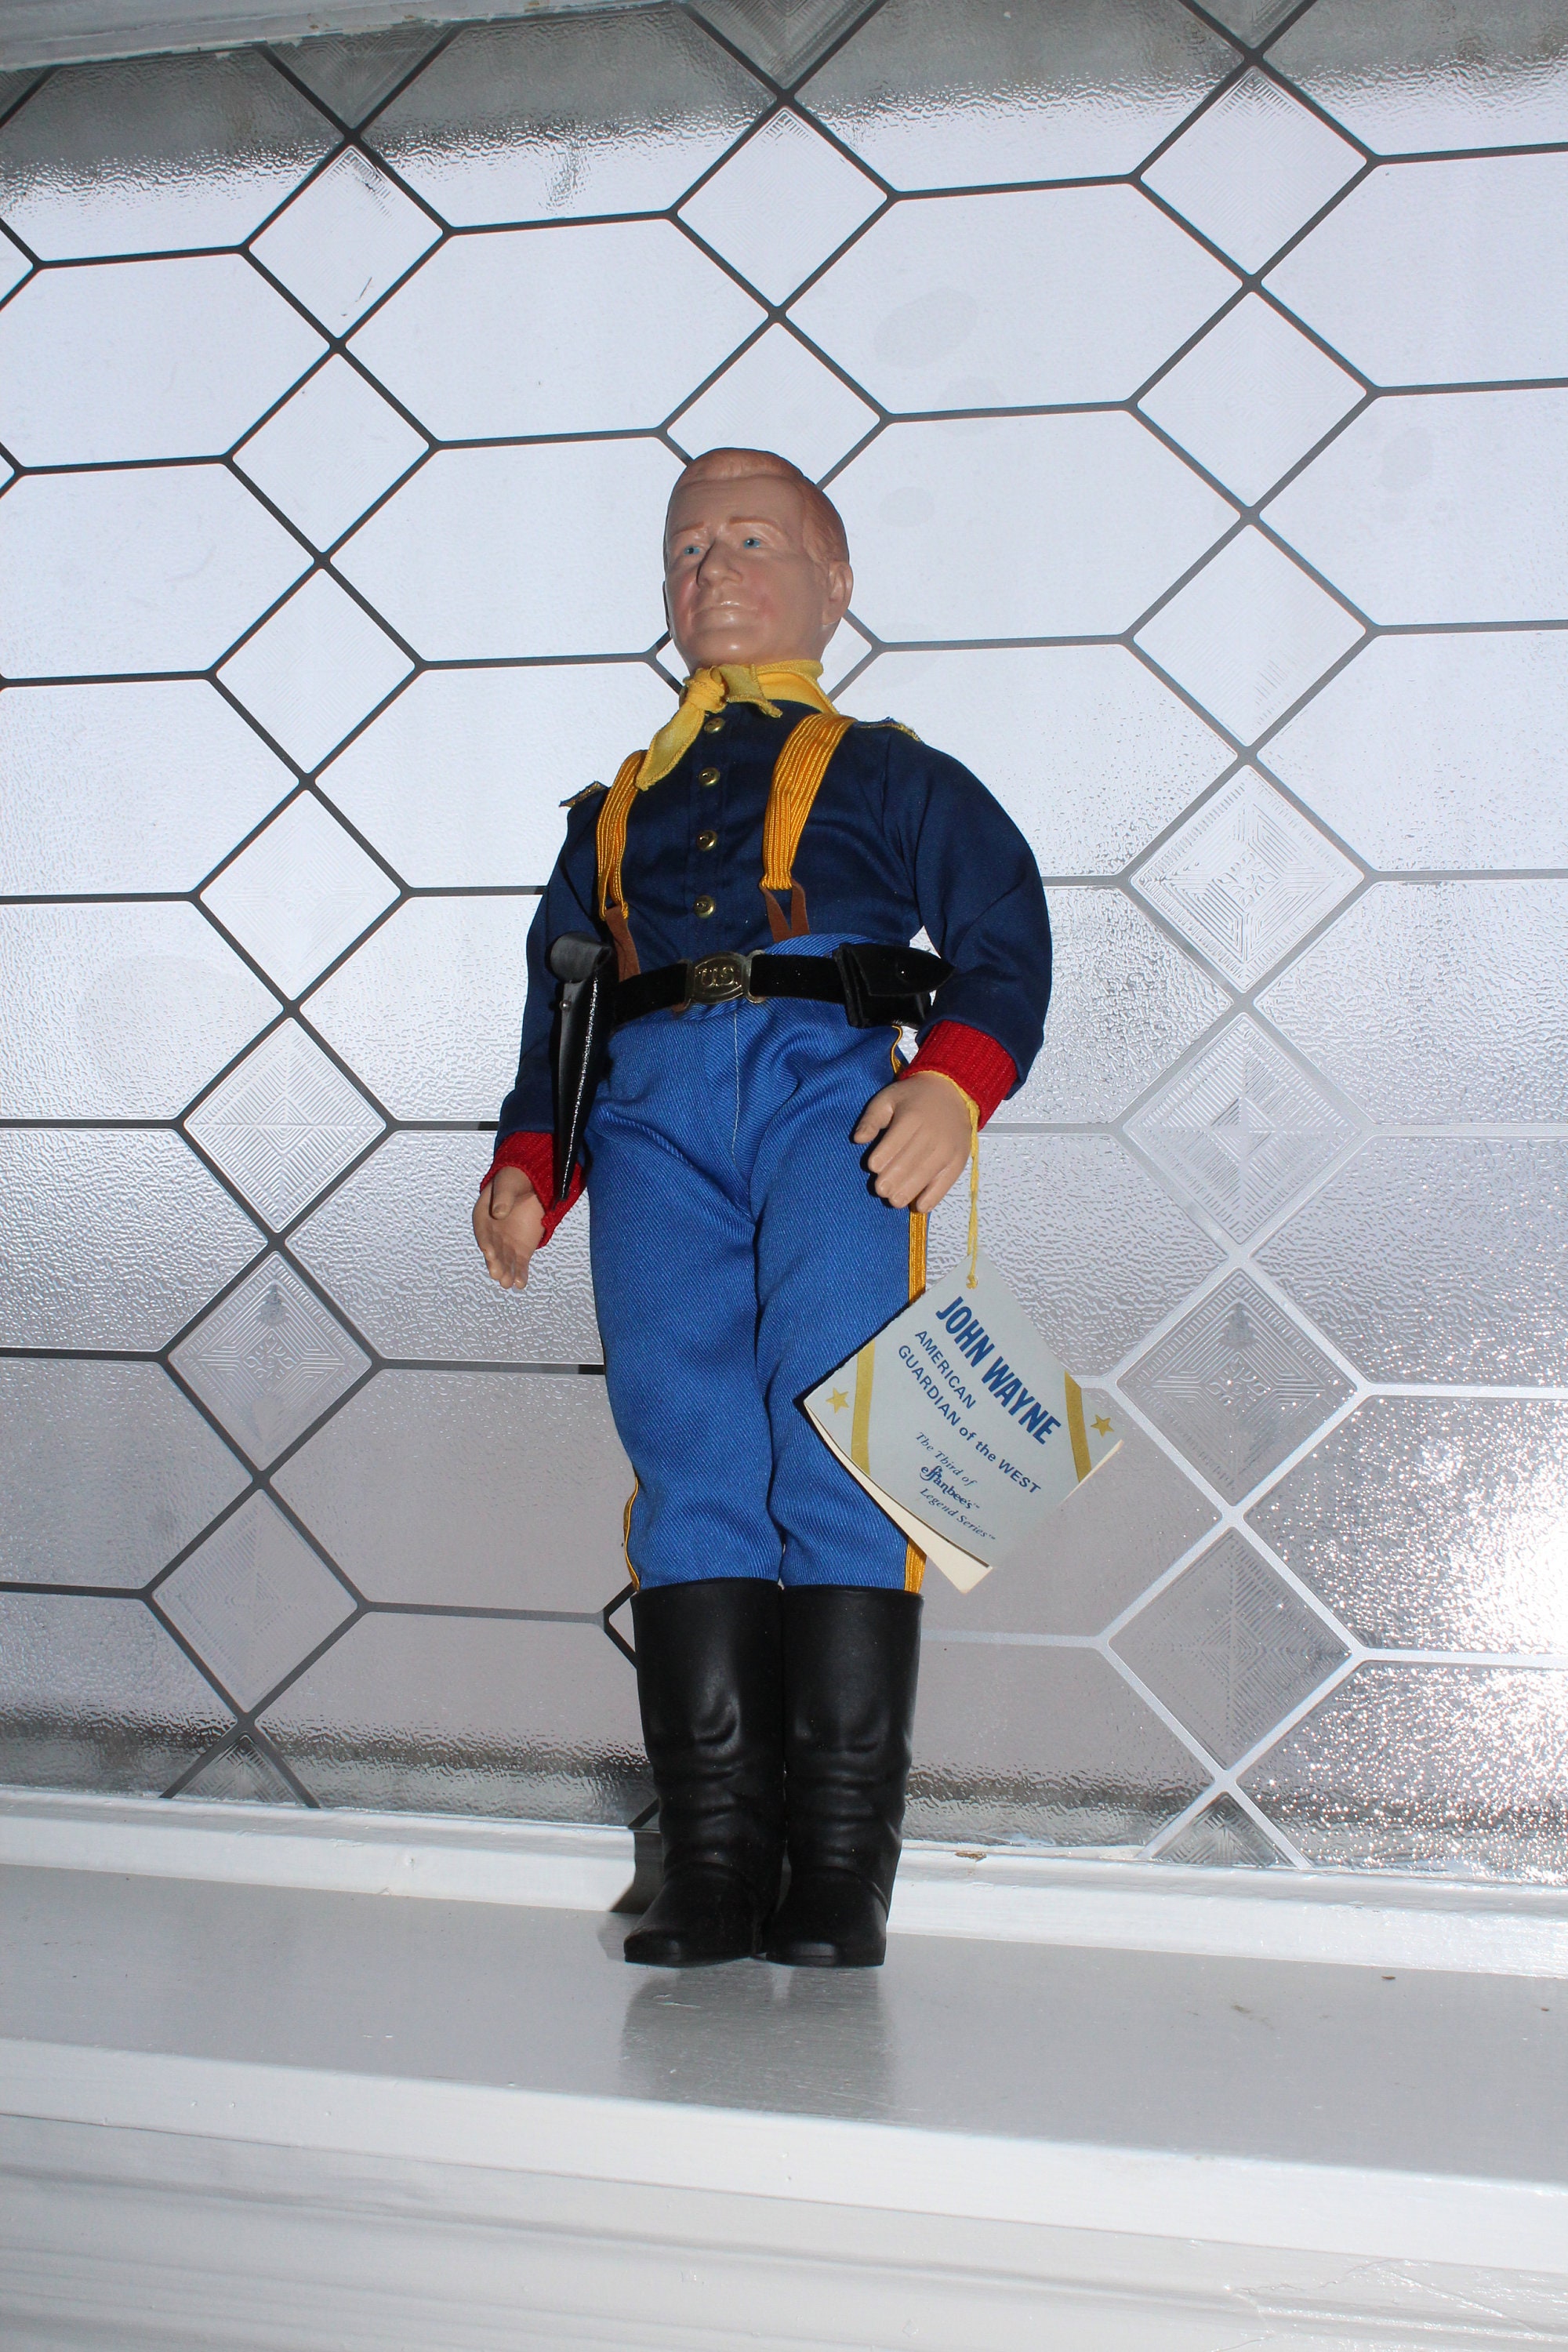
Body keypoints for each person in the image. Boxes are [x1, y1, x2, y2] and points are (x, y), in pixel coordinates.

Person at [473, 448, 1051, 1968]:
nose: (712, 570)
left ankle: (841, 1867)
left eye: (750, 540)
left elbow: (1003, 925)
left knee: (848, 1439)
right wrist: (535, 1161)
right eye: (686, 549)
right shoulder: (612, 815)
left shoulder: (892, 777)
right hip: (650, 1123)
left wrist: (956, 1083)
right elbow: (561, 1003)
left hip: (828, 1105)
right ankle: (715, 1858)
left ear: (833, 582)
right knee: (687, 1448)